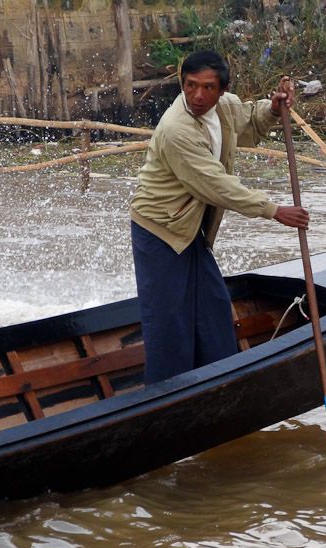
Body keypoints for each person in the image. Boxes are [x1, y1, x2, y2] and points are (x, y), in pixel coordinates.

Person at [130, 50, 309, 384]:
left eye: (208, 87)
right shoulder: (176, 129)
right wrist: (273, 210)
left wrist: (272, 108)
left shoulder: (224, 107)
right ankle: (166, 396)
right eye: (191, 86)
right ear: (182, 85)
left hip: (190, 230)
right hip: (159, 231)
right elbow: (217, 186)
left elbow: (249, 120)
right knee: (169, 324)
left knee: (212, 309)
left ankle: (218, 382)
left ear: (222, 89)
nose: (199, 95)